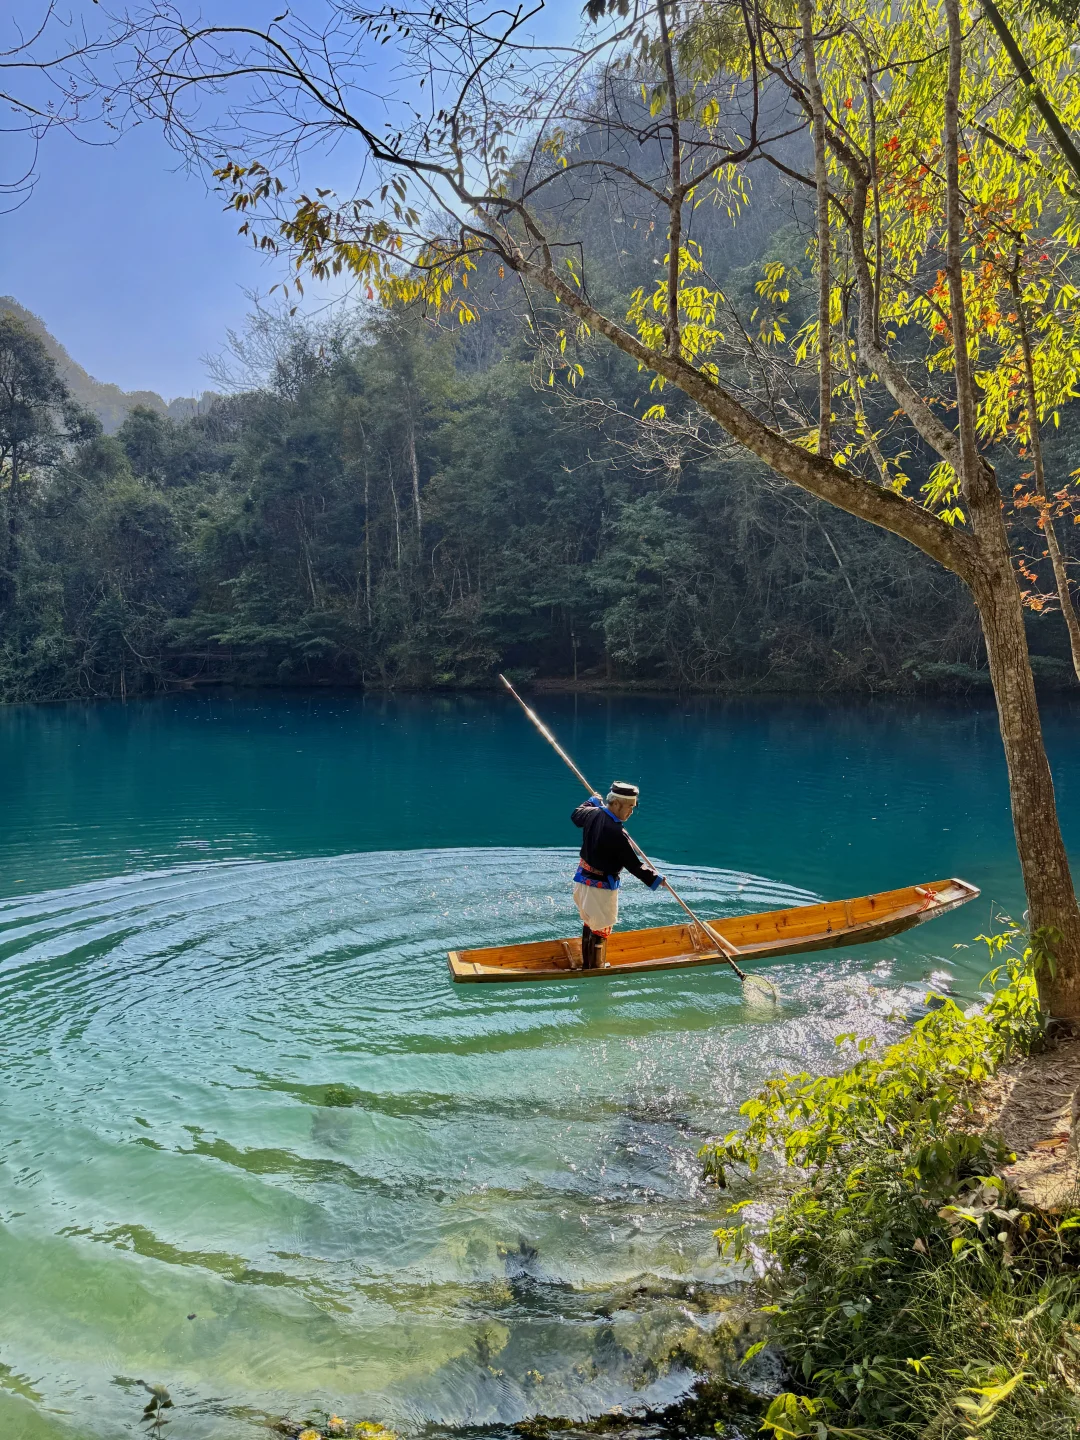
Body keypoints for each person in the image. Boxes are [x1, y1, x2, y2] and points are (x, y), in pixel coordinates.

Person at [571, 781, 665, 969]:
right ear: (615, 804)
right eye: (629, 807)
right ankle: (596, 967)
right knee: (602, 925)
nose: (631, 811)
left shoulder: (592, 813)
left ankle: (588, 964)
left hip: (583, 881)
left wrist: (591, 802)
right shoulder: (616, 832)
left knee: (590, 921)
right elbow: (634, 865)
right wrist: (656, 879)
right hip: (600, 887)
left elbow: (576, 815)